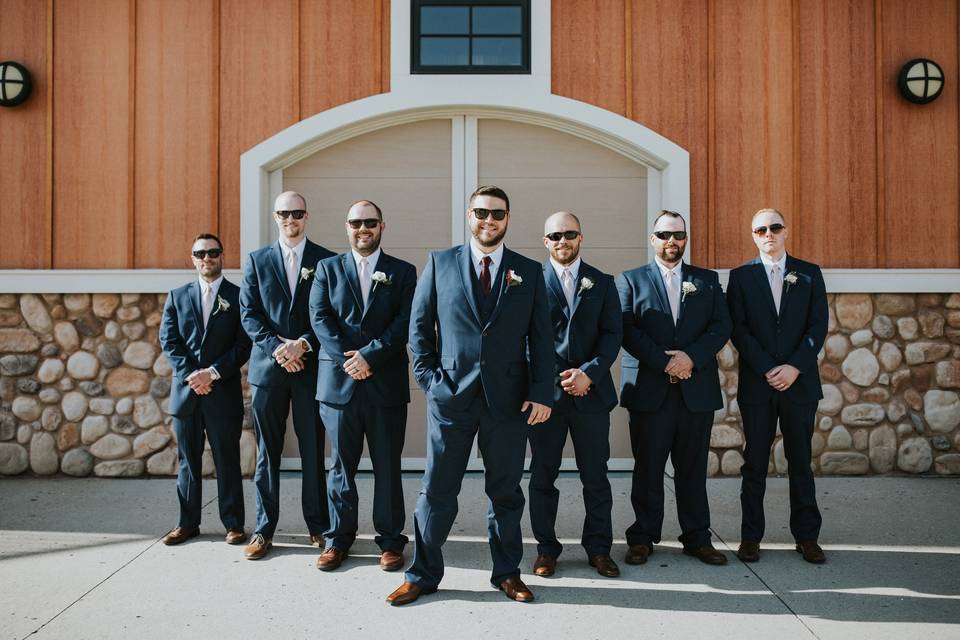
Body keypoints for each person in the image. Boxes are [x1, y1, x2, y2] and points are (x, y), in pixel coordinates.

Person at [386, 185, 554, 606]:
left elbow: (542, 340)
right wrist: (430, 381)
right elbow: (418, 329)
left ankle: (507, 573)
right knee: (437, 490)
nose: (489, 219)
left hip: (509, 402)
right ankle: (422, 573)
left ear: (508, 219)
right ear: (469, 215)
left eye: (497, 213)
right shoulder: (440, 263)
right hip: (451, 399)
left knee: (506, 492)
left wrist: (541, 393)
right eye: (481, 212)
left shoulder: (528, 271)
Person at [617, 210, 732, 566]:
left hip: (695, 390)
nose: (672, 241)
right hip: (650, 390)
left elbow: (721, 326)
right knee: (647, 467)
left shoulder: (707, 280)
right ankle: (642, 537)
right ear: (653, 239)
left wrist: (690, 359)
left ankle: (697, 537)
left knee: (692, 468)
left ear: (685, 239)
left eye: (679, 235)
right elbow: (626, 330)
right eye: (665, 235)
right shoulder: (631, 280)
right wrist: (665, 362)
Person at [309, 200, 416, 572]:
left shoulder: (402, 272)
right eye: (356, 222)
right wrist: (349, 361)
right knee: (340, 467)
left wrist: (370, 356)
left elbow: (405, 322)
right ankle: (338, 539)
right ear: (347, 227)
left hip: (384, 384)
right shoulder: (326, 269)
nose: (363, 228)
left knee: (387, 465)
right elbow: (320, 319)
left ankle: (390, 541)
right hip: (338, 386)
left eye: (370, 222)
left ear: (382, 226)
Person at [726, 208, 828, 564]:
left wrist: (794, 367)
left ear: (786, 231)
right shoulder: (740, 278)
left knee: (801, 462)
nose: (768, 233)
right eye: (761, 229)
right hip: (759, 385)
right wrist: (770, 368)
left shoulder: (810, 274)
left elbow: (818, 327)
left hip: (799, 385)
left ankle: (807, 537)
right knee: (754, 463)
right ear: (753, 235)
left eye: (775, 227)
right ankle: (750, 537)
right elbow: (738, 329)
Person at [240, 191, 334, 560]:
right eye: (284, 213)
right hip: (269, 370)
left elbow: (330, 313)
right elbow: (249, 313)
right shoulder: (257, 260)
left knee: (313, 451)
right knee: (268, 453)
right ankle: (264, 530)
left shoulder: (325, 260)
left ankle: (317, 526)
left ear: (306, 216)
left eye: (296, 213)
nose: (290, 219)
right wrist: (278, 349)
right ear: (276, 217)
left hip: (311, 370)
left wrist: (304, 345)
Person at [528, 212, 622, 579]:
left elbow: (612, 334)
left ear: (581, 237)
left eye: (569, 234)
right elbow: (525, 338)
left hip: (591, 396)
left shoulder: (602, 281)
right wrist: (548, 383)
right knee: (542, 476)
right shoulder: (529, 280)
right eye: (555, 235)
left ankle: (599, 549)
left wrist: (589, 374)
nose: (562, 240)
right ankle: (546, 550)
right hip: (545, 399)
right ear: (545, 240)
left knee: (595, 476)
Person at [159, 233, 251, 546]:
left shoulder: (238, 297)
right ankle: (187, 523)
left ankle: (233, 524)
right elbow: (169, 342)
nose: (206, 258)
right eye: (200, 253)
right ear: (193, 258)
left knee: (227, 459)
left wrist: (211, 374)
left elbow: (243, 345)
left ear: (222, 256)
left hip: (222, 393)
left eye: (212, 253)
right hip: (186, 395)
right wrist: (192, 376)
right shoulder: (177, 296)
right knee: (188, 460)